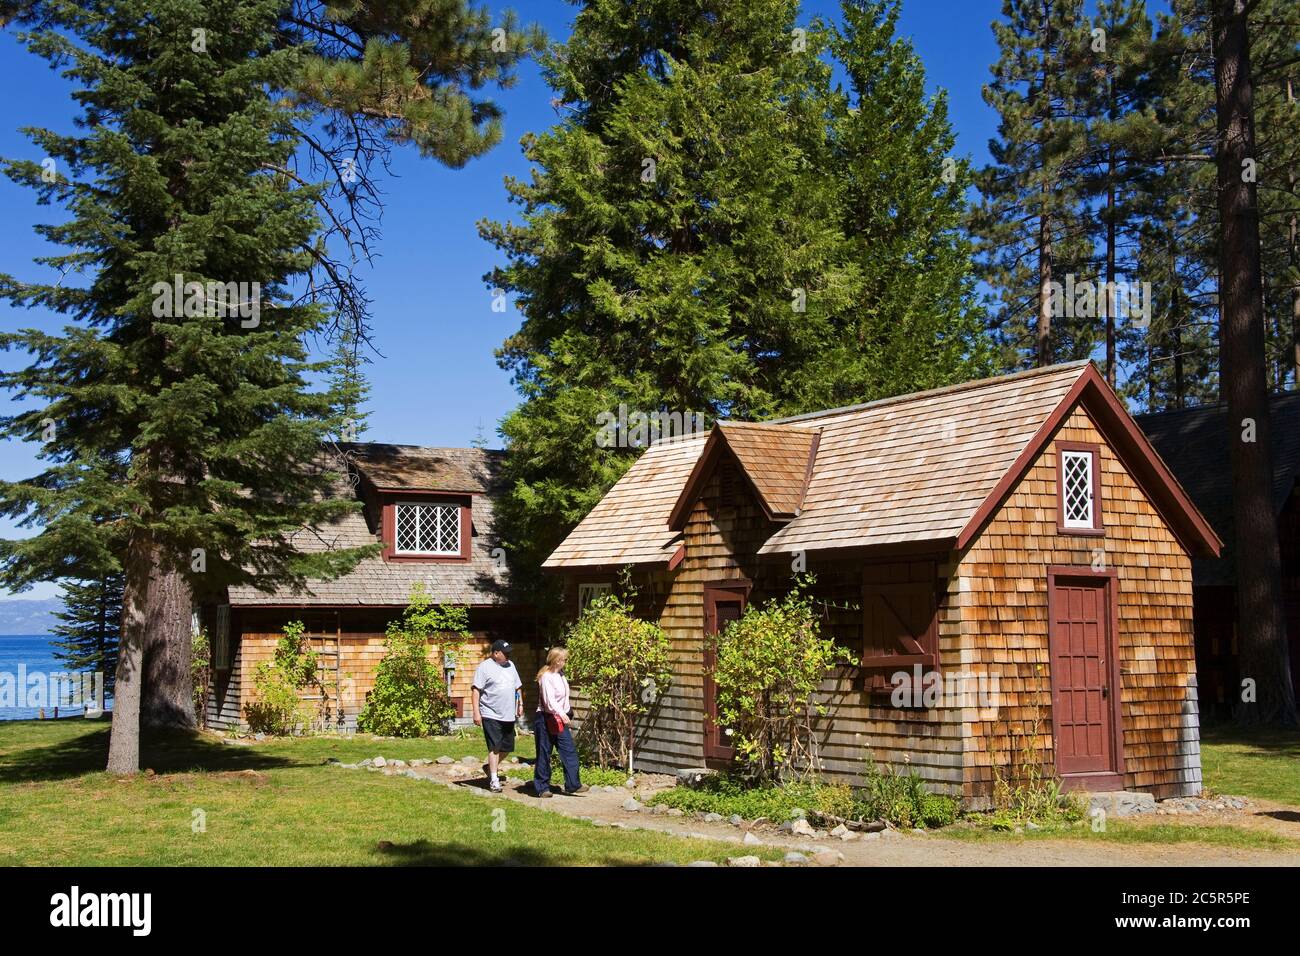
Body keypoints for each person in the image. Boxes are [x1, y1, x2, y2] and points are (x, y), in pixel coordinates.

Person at [533, 647, 586, 797]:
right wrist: (563, 715)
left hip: (560, 718)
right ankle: (542, 788)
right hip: (545, 718)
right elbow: (550, 702)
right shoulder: (546, 677)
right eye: (564, 659)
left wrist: (567, 712)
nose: (565, 662)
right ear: (556, 660)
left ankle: (573, 784)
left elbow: (564, 698)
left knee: (568, 750)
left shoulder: (561, 675)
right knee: (544, 752)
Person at [471, 639, 523, 792]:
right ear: (495, 653)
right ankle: (494, 780)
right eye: (505, 653)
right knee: (494, 746)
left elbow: (518, 687)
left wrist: (520, 704)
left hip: (508, 714)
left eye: (509, 653)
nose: (508, 656)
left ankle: (489, 767)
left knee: (506, 748)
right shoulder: (484, 668)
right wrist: (476, 712)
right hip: (490, 713)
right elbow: (476, 691)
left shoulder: (511, 665)